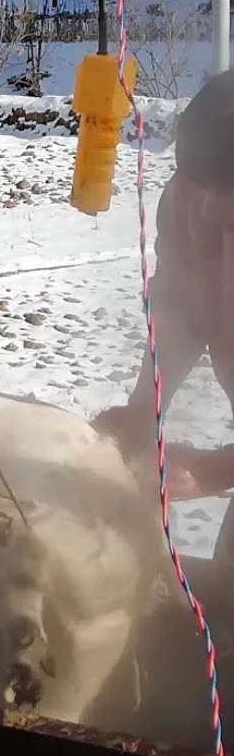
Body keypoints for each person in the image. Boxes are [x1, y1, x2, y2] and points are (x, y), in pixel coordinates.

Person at [95, 68, 234, 486]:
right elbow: (177, 306)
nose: (206, 210)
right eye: (197, 186)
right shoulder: (187, 196)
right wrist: (142, 411)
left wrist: (209, 472)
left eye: (227, 193)